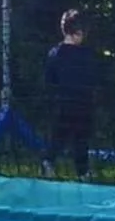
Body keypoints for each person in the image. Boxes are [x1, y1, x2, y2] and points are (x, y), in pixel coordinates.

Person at [41, 10, 100, 180]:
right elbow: (92, 78)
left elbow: (49, 80)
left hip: (62, 103)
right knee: (81, 140)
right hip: (83, 103)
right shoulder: (85, 55)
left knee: (58, 136)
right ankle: (82, 172)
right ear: (78, 33)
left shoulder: (55, 53)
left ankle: (48, 161)